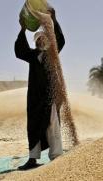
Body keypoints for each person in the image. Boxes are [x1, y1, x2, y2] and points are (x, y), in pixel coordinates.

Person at [14, 8, 65, 170]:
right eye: (38, 40)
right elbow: (19, 51)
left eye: (44, 38)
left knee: (53, 124)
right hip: (35, 98)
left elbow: (61, 41)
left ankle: (56, 156)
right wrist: (22, 29)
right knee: (34, 126)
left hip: (50, 96)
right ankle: (32, 159)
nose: (41, 41)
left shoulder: (53, 54)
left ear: (48, 41)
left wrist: (54, 20)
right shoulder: (31, 56)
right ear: (35, 42)